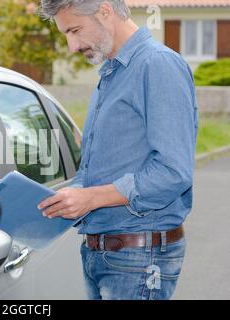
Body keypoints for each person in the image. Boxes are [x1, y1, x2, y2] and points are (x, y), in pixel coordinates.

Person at [38, 0, 198, 300]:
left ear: (104, 12)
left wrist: (90, 198)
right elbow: (97, 171)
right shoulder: (111, 74)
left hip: (138, 257)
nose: (72, 46)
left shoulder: (158, 65)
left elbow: (173, 172)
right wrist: (59, 200)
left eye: (74, 30)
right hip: (103, 254)